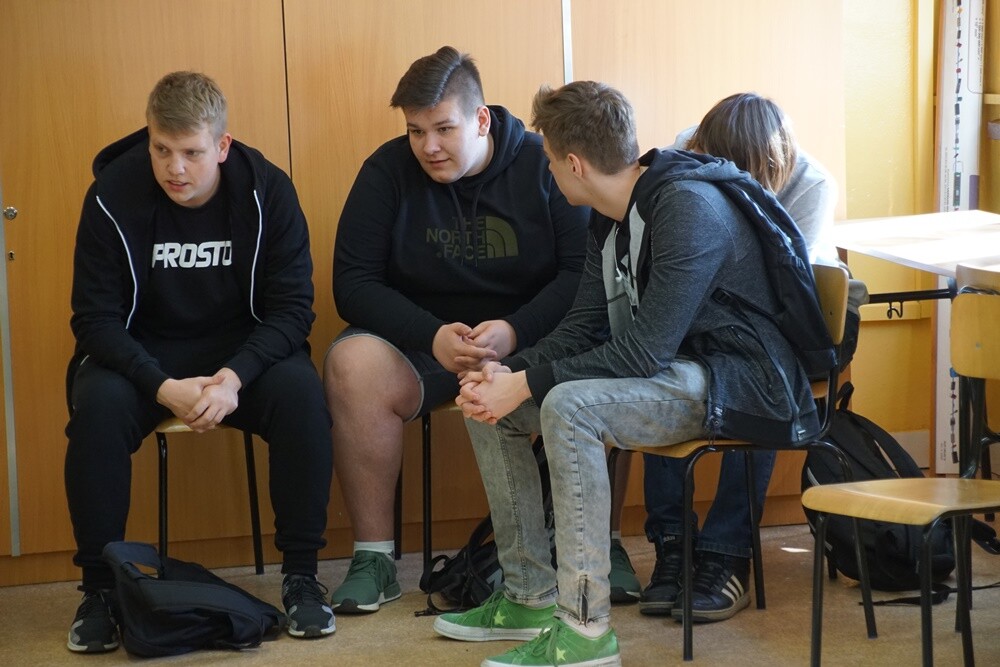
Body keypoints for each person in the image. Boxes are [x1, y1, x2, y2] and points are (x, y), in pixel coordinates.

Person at [438, 81, 822, 667]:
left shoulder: (688, 208)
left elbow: (644, 352)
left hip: (737, 379)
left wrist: (528, 382)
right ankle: (527, 595)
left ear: (575, 164)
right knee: (490, 408)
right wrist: (503, 373)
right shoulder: (612, 214)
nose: (549, 172)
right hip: (677, 368)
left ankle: (585, 630)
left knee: (568, 407)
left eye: (550, 162)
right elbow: (581, 327)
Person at [64, 71, 335, 652]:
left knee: (301, 394)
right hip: (143, 355)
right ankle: (99, 592)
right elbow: (94, 320)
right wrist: (161, 385)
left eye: (191, 152)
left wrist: (235, 377)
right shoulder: (112, 193)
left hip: (242, 353)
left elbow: (293, 311)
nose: (175, 168)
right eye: (161, 149)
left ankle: (302, 577)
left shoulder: (268, 191)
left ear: (223, 145)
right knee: (98, 407)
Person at [323, 46, 590, 613]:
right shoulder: (386, 171)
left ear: (481, 119)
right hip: (423, 347)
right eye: (416, 131)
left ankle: (601, 545)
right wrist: (432, 335)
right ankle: (374, 559)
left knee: (603, 345)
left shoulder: (541, 163)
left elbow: (581, 271)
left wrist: (515, 331)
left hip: (530, 341)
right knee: (351, 364)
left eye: (444, 129)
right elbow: (353, 282)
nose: (429, 147)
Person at [635, 92, 847, 622]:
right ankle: (672, 545)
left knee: (763, 384)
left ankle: (728, 555)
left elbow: (789, 287)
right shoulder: (687, 150)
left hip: (775, 329)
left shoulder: (811, 184)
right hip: (700, 314)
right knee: (655, 366)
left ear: (775, 166)